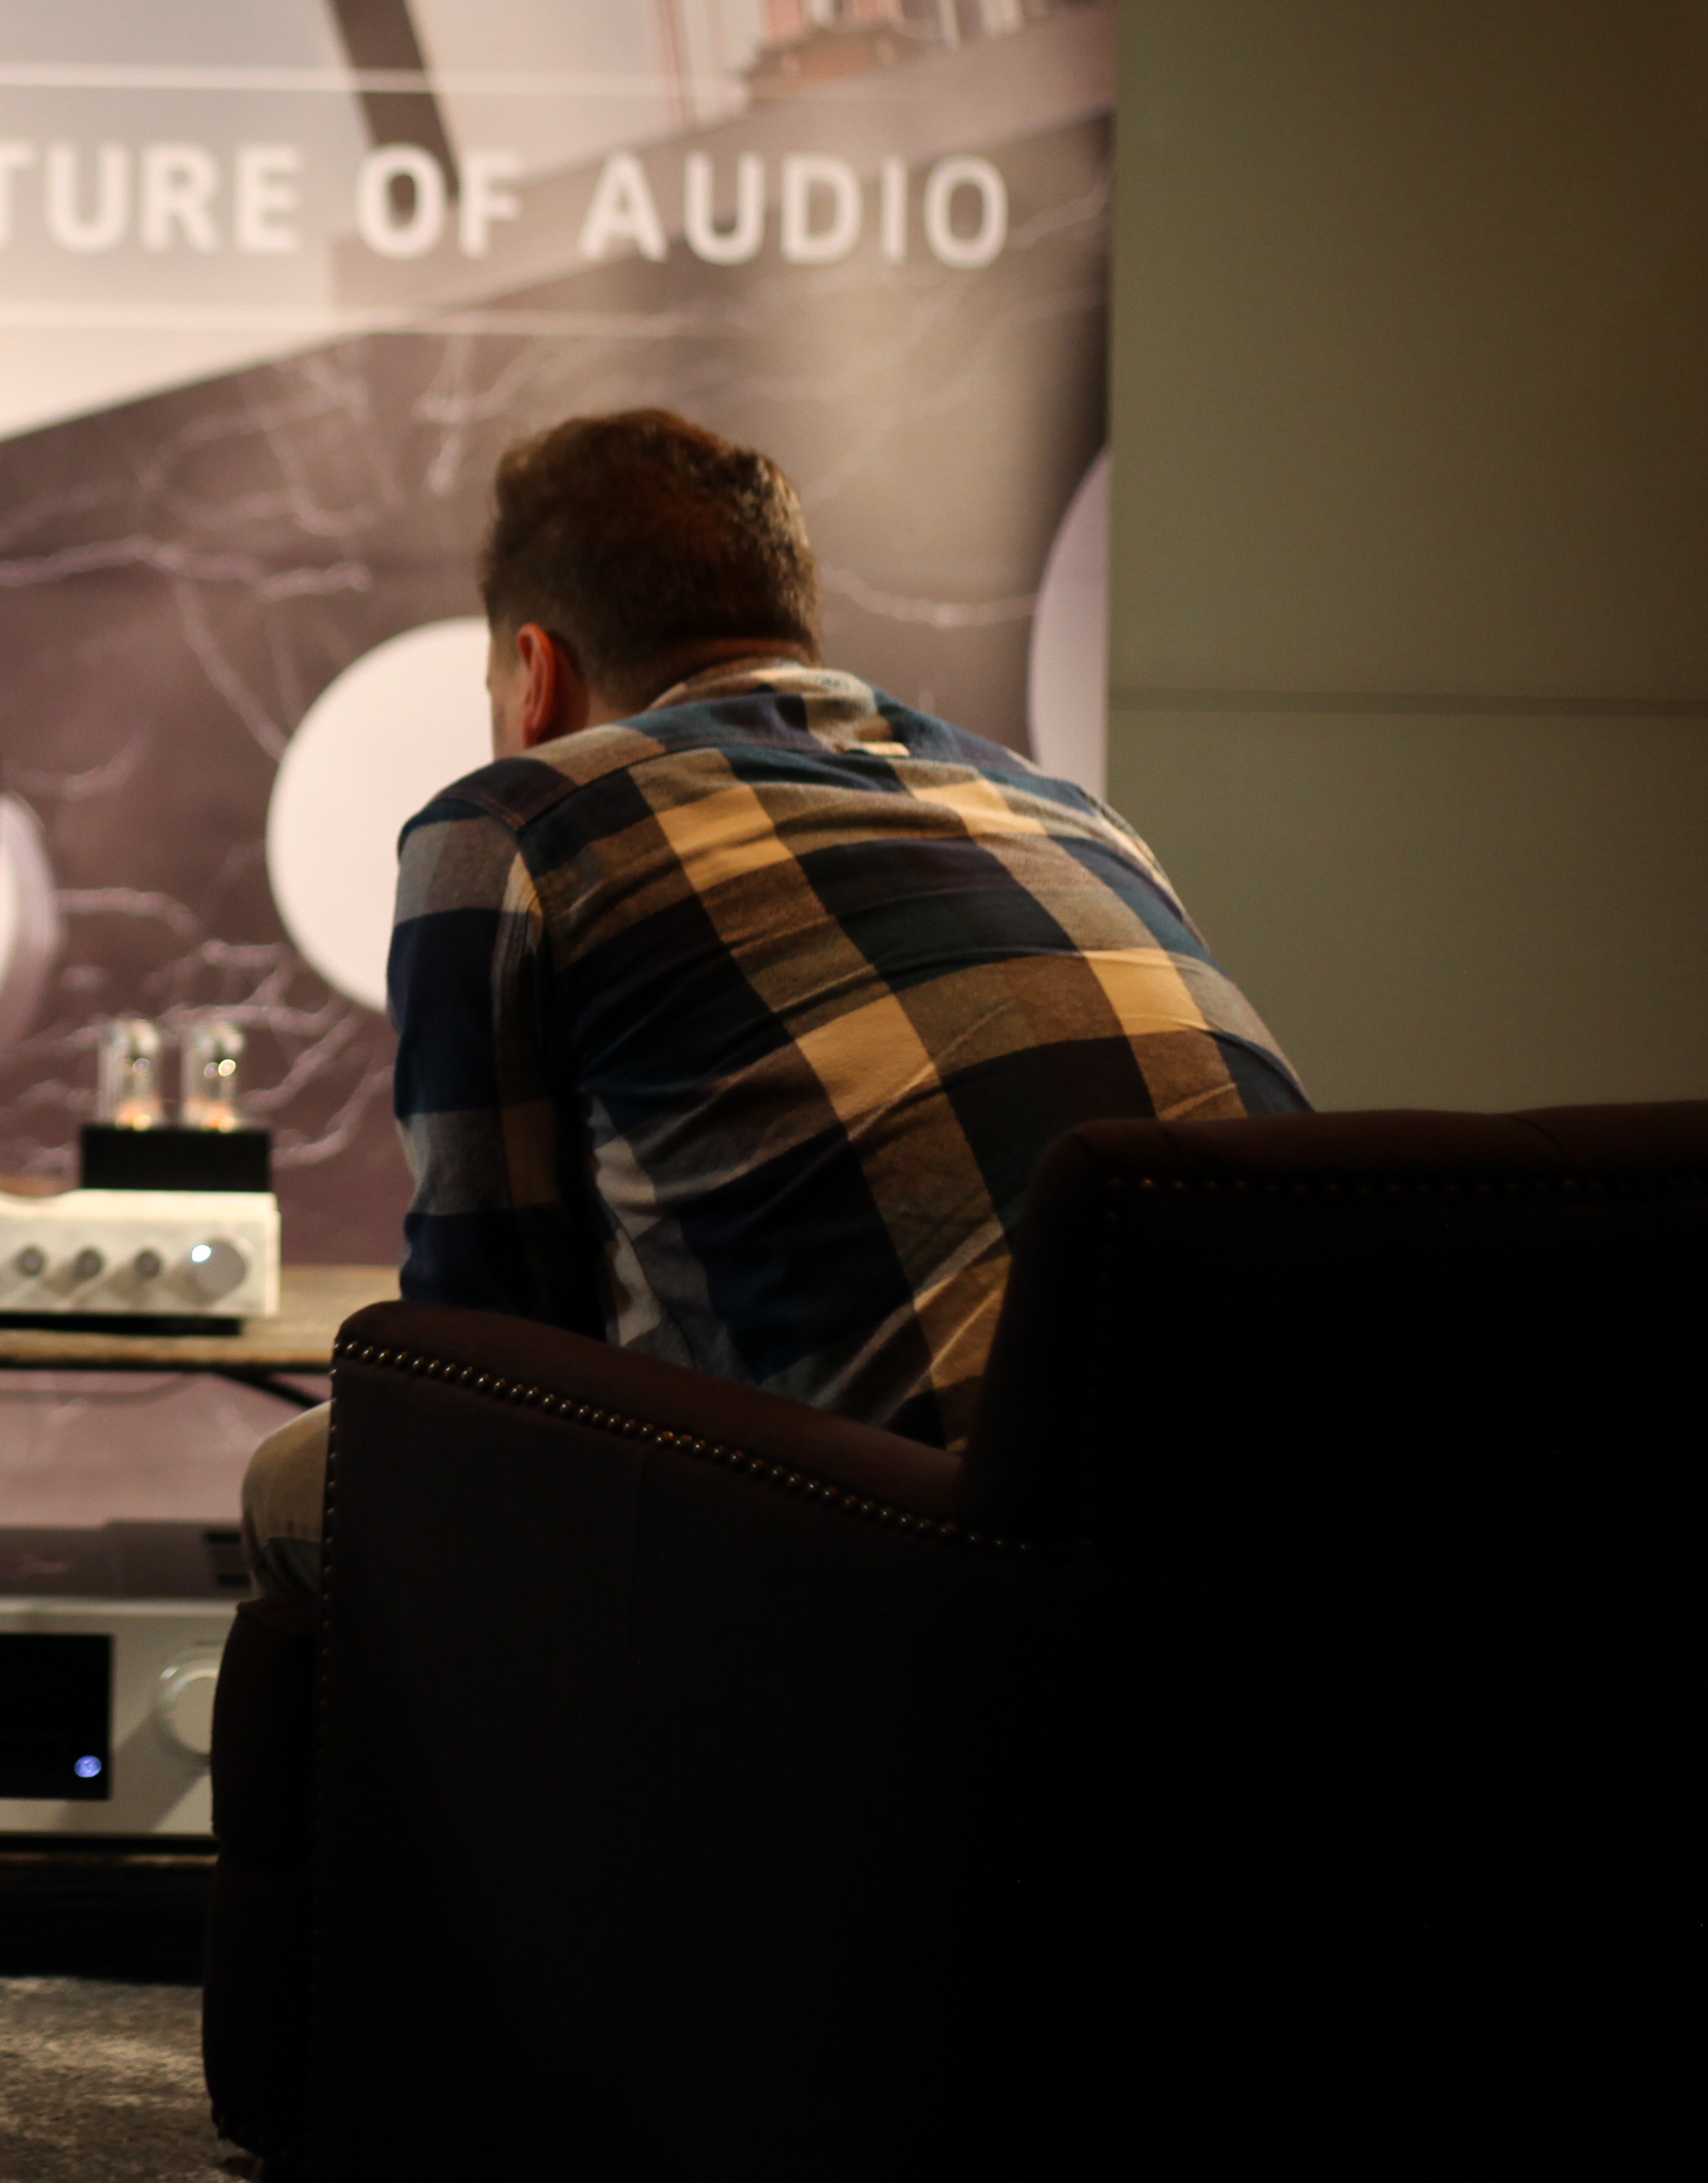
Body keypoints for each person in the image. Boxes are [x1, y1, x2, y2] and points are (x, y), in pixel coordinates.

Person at [244, 407, 1301, 1596]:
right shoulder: (1071, 816)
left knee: (301, 1480)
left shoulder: (514, 824)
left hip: (931, 1582)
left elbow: (480, 1368)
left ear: (536, 675)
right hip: (1305, 1536)